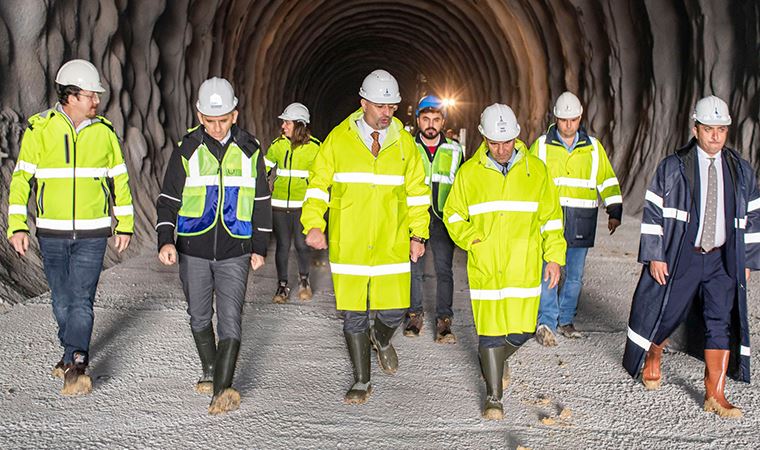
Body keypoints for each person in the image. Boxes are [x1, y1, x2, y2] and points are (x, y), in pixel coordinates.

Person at [623, 95, 760, 418]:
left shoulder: (740, 171)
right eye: (709, 129)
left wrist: (748, 260)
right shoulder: (673, 168)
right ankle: (654, 352)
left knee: (720, 321)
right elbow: (654, 212)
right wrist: (656, 255)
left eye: (721, 130)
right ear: (696, 129)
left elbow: (753, 216)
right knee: (667, 311)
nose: (715, 136)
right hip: (683, 254)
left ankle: (716, 393)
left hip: (722, 259)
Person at [301, 69, 430, 405]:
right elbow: (317, 186)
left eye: (392, 107)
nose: (387, 113)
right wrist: (313, 224)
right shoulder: (338, 140)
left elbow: (417, 193)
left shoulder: (405, 145)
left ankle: (381, 339)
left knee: (395, 309)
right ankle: (361, 379)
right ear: (363, 104)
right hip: (351, 241)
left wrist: (419, 234)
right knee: (354, 313)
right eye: (380, 106)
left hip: (391, 240)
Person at [6, 59, 134, 396]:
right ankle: (69, 352)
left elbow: (119, 181)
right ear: (71, 96)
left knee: (81, 301)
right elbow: (21, 180)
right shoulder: (40, 130)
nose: (97, 101)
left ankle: (77, 363)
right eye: (91, 95)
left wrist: (125, 224)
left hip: (93, 233)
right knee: (61, 301)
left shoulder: (105, 133)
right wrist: (17, 225)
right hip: (52, 232)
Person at [155, 77, 272, 415]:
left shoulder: (251, 150)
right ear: (199, 115)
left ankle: (223, 388)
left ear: (235, 115)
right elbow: (167, 200)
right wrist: (166, 240)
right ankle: (210, 367)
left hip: (236, 248)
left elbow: (262, 201)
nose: (217, 127)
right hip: (193, 247)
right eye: (210, 120)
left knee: (231, 319)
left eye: (223, 120)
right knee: (199, 315)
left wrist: (259, 246)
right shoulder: (187, 149)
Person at [444, 103, 566, 420]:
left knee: (522, 331)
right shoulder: (469, 174)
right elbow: (453, 214)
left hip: (523, 266)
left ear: (517, 137)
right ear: (483, 138)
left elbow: (551, 219)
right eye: (494, 142)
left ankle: (496, 360)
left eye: (507, 142)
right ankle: (493, 397)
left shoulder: (536, 172)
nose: (501, 149)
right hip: (486, 267)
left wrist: (554, 256)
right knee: (490, 331)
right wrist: (473, 240)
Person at [529, 92, 622, 346]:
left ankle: (566, 319)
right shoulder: (540, 146)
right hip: (551, 220)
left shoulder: (593, 148)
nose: (568, 125)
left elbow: (607, 179)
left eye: (572, 120)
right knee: (550, 270)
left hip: (582, 220)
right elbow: (527, 179)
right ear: (555, 118)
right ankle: (546, 321)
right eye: (563, 120)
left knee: (574, 275)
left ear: (580, 118)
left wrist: (614, 210)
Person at [404, 95, 463, 342]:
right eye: (426, 119)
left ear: (443, 121)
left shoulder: (455, 150)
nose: (430, 124)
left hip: (442, 219)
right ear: (418, 120)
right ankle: (414, 316)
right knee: (413, 269)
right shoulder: (406, 147)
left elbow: (461, 186)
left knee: (444, 271)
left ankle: (444, 322)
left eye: (435, 119)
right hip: (414, 217)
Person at [264, 103, 321, 303]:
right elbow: (266, 167)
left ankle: (304, 280)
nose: (283, 126)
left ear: (299, 124)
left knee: (301, 244)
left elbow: (320, 178)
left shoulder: (314, 148)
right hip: (279, 205)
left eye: (287, 122)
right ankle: (282, 286)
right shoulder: (277, 145)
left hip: (302, 206)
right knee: (283, 245)